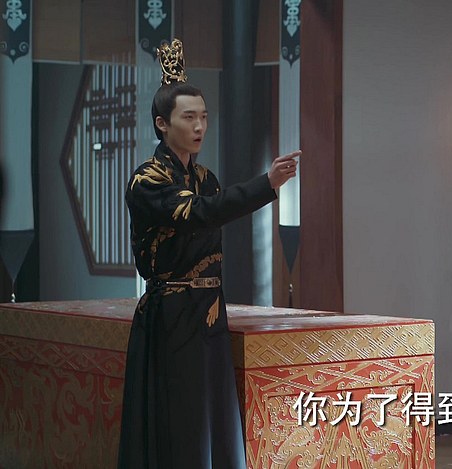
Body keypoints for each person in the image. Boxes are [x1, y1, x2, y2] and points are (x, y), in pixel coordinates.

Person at [117, 39, 300, 468]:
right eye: (188, 117)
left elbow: (211, 209)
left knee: (215, 417)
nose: (199, 126)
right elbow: (198, 214)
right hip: (172, 314)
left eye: (203, 116)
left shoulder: (205, 177)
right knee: (182, 420)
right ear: (162, 124)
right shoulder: (148, 181)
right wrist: (266, 184)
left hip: (211, 311)